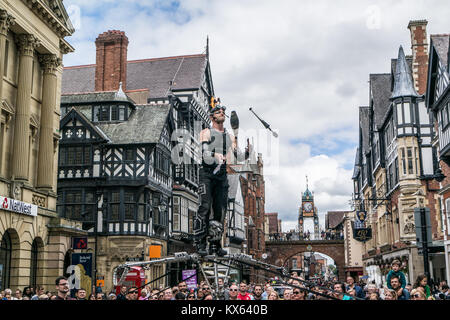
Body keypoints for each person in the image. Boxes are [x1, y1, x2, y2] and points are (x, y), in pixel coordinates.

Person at [194, 103, 249, 256]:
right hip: (207, 173)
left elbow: (238, 156)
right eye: (218, 112)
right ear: (212, 117)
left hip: (221, 175)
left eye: (223, 112)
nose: (222, 113)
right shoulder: (206, 132)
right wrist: (214, 155)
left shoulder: (230, 136)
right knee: (205, 207)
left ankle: (215, 244)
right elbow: (204, 153)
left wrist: (247, 152)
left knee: (220, 211)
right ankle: (200, 242)